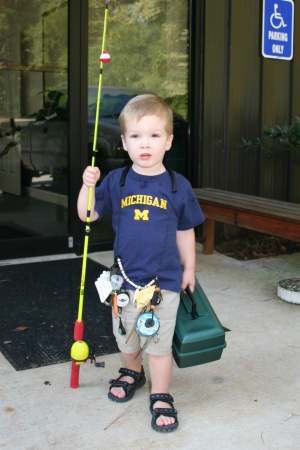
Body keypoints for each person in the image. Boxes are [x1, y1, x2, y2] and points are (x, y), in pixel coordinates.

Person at [77, 94, 205, 432]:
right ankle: (132, 370)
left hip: (163, 283)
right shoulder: (117, 181)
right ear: (123, 142)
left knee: (159, 344)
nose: (144, 144)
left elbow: (185, 230)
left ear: (169, 140)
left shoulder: (178, 186)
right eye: (135, 136)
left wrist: (189, 269)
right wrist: (86, 187)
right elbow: (88, 214)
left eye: (153, 135)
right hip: (123, 281)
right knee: (126, 337)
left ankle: (161, 394)